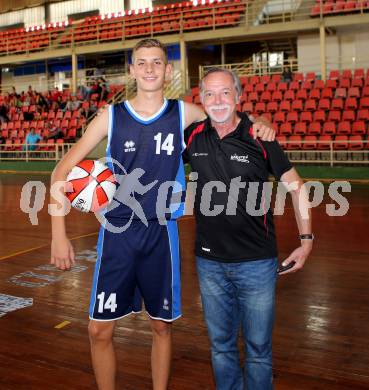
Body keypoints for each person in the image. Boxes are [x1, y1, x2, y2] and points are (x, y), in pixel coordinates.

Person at [50, 38, 274, 390]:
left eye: (157, 62)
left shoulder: (182, 112)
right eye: (142, 62)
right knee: (98, 328)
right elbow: (61, 171)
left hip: (160, 233)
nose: (150, 68)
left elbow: (228, 115)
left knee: (160, 325)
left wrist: (259, 119)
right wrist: (58, 235)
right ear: (132, 70)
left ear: (168, 71)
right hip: (117, 233)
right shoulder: (111, 116)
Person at [184, 67, 313, 390]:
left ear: (239, 97)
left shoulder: (260, 137)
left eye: (226, 92)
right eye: (210, 94)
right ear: (201, 99)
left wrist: (306, 240)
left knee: (257, 351)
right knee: (221, 347)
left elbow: (297, 188)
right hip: (209, 263)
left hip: (257, 263)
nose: (218, 100)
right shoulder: (192, 136)